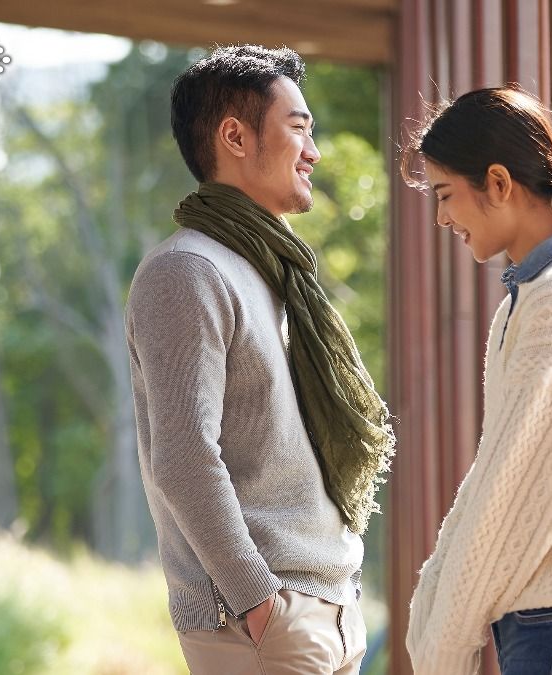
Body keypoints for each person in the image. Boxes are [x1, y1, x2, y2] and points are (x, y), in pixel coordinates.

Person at [125, 45, 394, 675]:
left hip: (325, 607)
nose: (314, 151)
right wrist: (259, 602)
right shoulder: (187, 272)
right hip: (264, 620)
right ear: (234, 136)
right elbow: (183, 456)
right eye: (298, 127)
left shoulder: (270, 272)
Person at [401, 86, 552, 675]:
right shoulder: (535, 298)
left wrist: (442, 643)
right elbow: (500, 476)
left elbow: (512, 493)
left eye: (446, 195)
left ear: (500, 183)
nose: (441, 218)